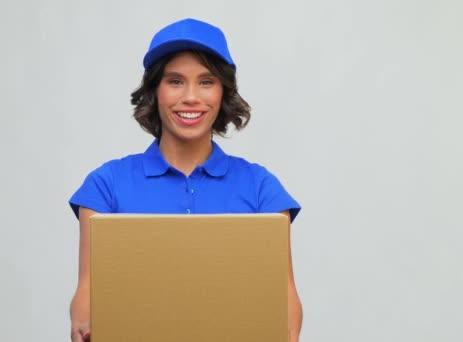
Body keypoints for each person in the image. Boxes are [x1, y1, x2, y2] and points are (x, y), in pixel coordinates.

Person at [68, 18, 302, 342]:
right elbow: (87, 296)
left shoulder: (261, 188)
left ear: (223, 92)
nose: (191, 97)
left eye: (206, 81)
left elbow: (284, 301)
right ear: (155, 90)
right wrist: (85, 325)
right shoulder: (105, 186)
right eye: (175, 81)